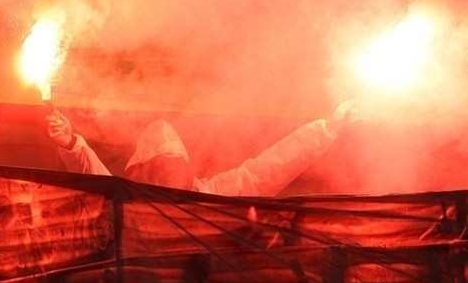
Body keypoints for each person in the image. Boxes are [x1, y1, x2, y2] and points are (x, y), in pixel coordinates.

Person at [45, 100, 356, 196]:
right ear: (138, 171)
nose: (167, 169)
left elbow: (266, 170)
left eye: (172, 162)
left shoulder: (209, 193)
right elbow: (93, 176)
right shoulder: (124, 198)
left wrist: (327, 129)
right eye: (158, 163)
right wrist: (71, 143)